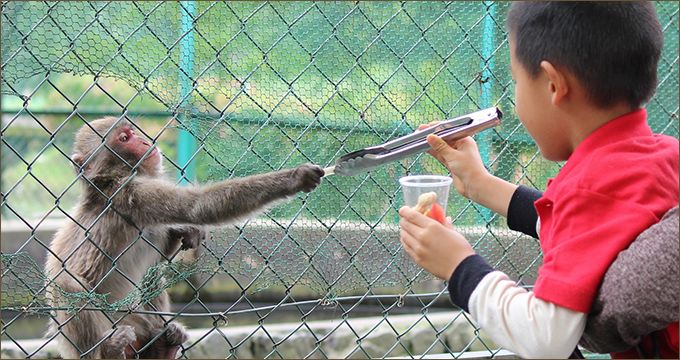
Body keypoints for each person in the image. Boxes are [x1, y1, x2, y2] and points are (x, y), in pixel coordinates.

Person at [398, 2, 679, 358]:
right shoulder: (661, 156)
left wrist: (459, 266)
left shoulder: (590, 184)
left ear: (552, 84)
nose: (515, 99)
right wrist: (481, 185)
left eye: (517, 82)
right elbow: (591, 229)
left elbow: (547, 338)